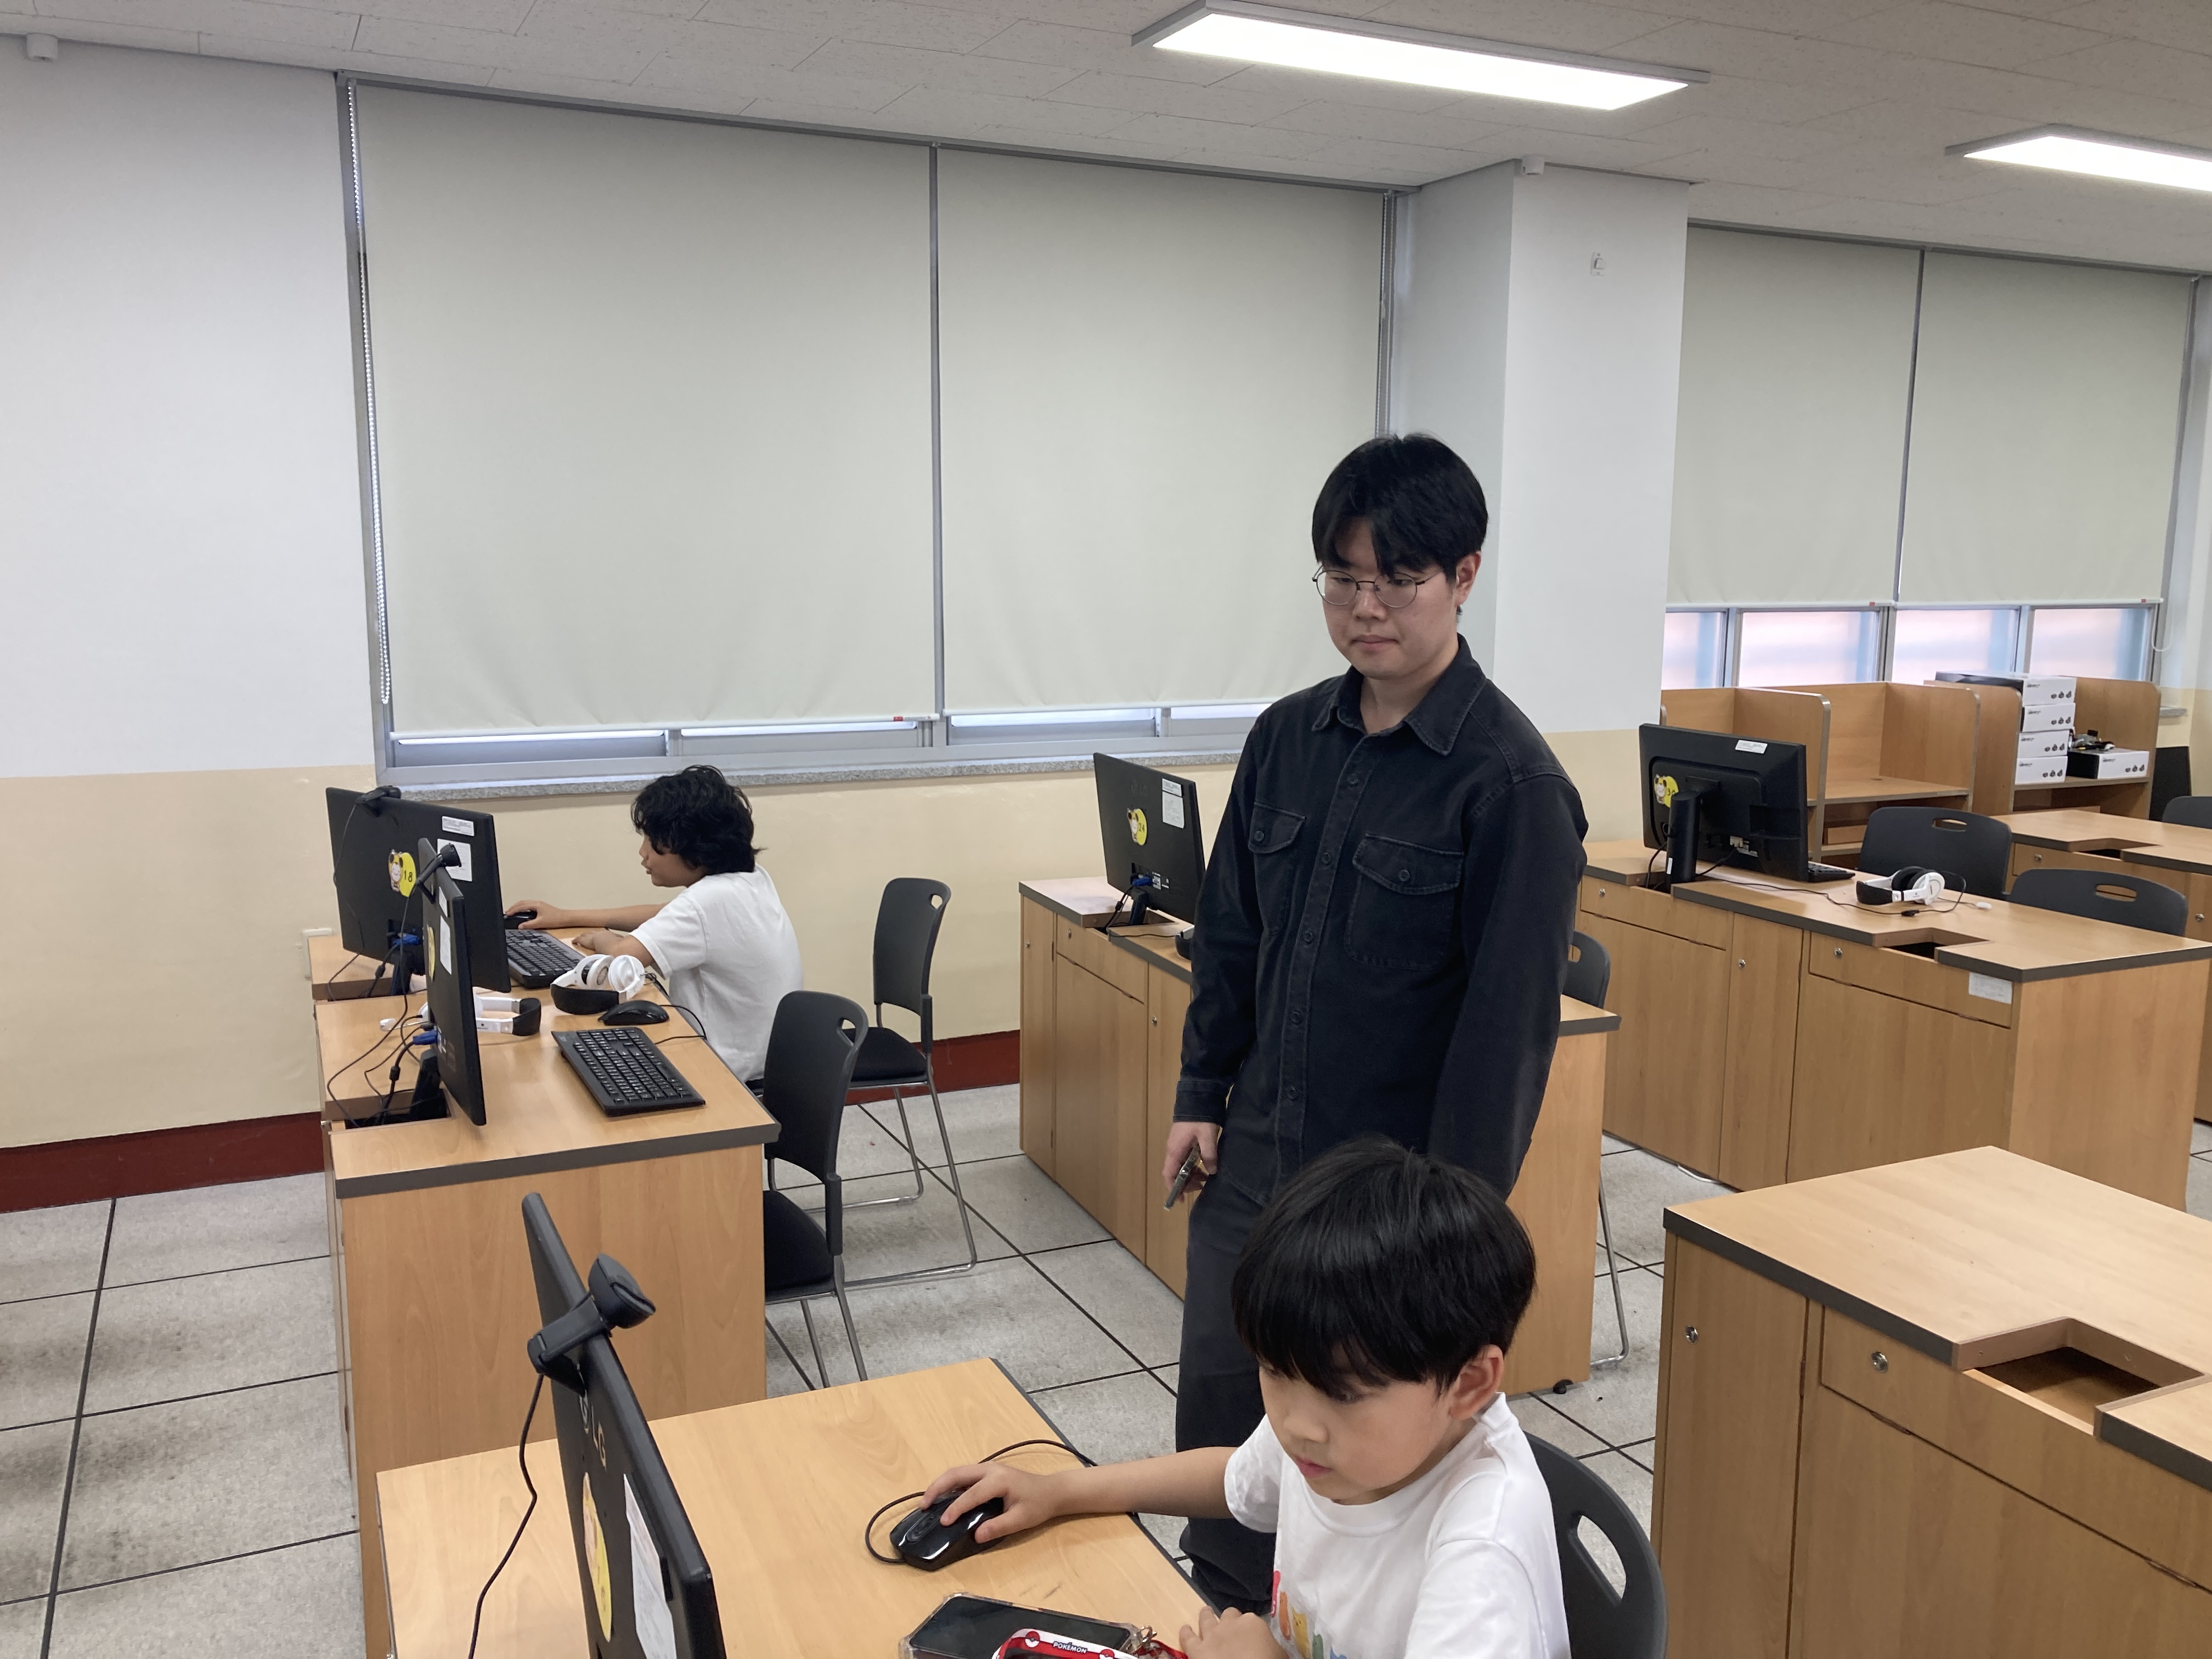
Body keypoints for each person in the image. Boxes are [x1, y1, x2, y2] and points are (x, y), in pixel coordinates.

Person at [1164, 433, 1587, 1609]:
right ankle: (1227, 1612)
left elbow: (1502, 1048)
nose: (1365, 608)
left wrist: (1431, 1257)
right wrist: (1201, 1093)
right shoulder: (1285, 737)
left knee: (1357, 1471)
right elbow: (1232, 935)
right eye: (1342, 579)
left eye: (1398, 579)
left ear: (1464, 575)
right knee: (1231, 1424)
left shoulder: (1512, 787)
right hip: (1255, 1162)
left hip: (1380, 1209)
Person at [921, 1141, 1566, 1659]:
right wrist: (1060, 1491)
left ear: (1469, 1384)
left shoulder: (1482, 1556)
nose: (1297, 1426)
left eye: (1343, 1393)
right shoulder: (1343, 1446)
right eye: (1275, 1372)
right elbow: (1237, 1479)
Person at [505, 764, 802, 1082]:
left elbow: (620, 961)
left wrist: (601, 938)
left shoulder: (707, 902)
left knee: (573, 1067)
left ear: (693, 846)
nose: (643, 852)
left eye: (653, 840)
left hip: (726, 1074)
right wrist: (567, 917)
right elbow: (665, 914)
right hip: (766, 1066)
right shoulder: (749, 880)